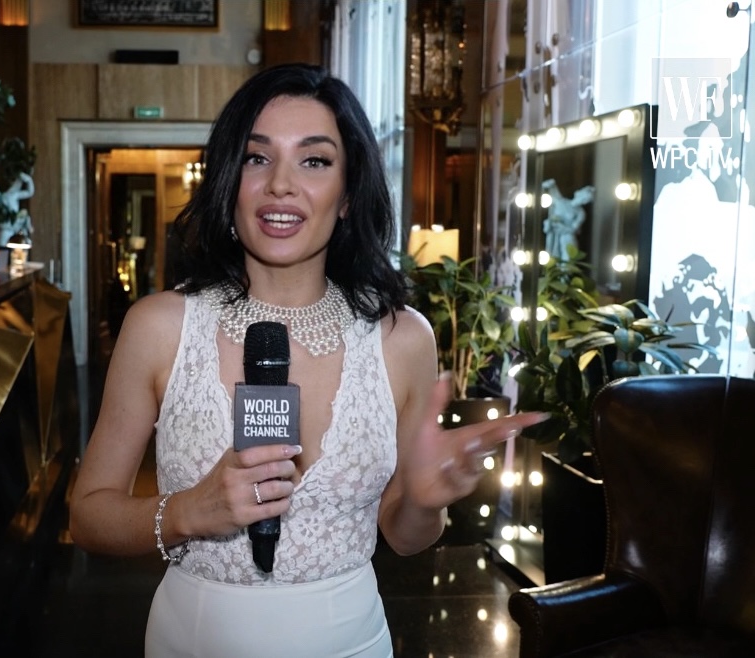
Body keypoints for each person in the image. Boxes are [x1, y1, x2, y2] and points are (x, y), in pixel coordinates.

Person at [69, 63, 548, 657]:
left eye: (314, 160)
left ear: (347, 194)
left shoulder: (403, 339)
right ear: (230, 179)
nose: (281, 184)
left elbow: (406, 538)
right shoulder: (160, 326)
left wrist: (425, 503)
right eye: (257, 157)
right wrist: (189, 512)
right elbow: (88, 517)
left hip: (352, 641)